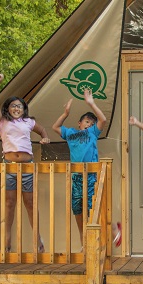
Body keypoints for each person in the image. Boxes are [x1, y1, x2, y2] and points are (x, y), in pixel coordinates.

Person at [0, 73, 50, 253]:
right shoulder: (2, 122)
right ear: (7, 109)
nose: (16, 108)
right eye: (13, 106)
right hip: (9, 166)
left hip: (27, 166)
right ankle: (7, 241)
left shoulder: (29, 122)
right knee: (9, 203)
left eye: (20, 106)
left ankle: (37, 238)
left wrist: (45, 138)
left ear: (24, 109)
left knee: (30, 202)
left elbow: (42, 131)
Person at [51, 88, 107, 245]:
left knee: (91, 207)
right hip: (76, 176)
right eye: (87, 122)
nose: (90, 124)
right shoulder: (71, 133)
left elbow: (103, 120)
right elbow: (55, 127)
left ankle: (94, 240)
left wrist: (91, 103)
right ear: (80, 123)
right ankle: (83, 240)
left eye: (92, 123)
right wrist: (65, 114)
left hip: (90, 175)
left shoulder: (93, 133)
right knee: (77, 208)